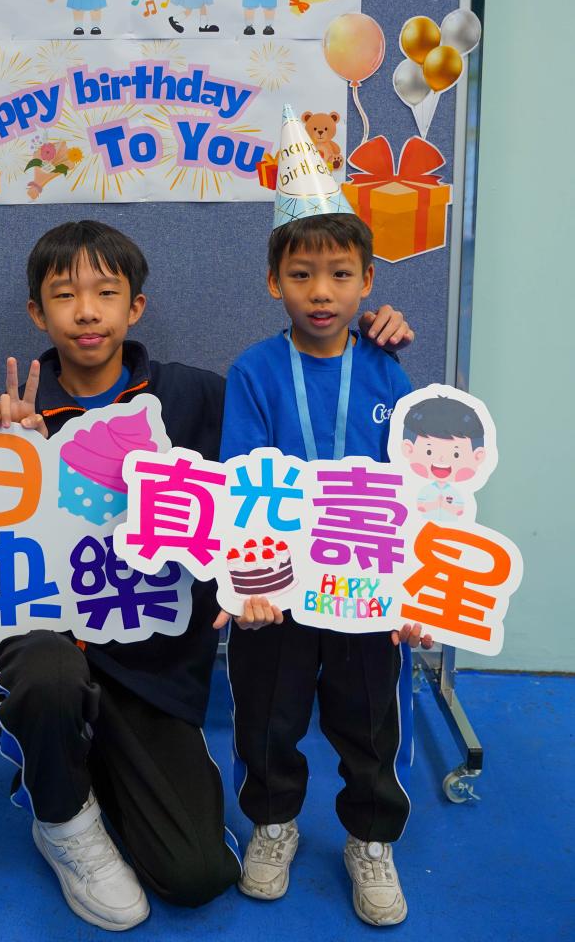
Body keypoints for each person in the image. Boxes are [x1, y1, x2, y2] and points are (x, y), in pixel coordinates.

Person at [0, 219, 414, 930]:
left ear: (135, 306)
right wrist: (6, 456)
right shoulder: (7, 418)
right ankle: (61, 816)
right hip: (56, 648)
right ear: (36, 312)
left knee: (198, 874)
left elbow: (281, 449)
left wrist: (364, 336)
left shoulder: (195, 397)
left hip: (151, 670)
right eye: (64, 295)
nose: (86, 312)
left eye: (105, 292)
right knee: (48, 677)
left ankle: (97, 761)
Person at [219, 113, 431, 927]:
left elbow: (416, 484)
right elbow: (242, 481)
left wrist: (414, 589)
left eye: (339, 274)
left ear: (367, 280)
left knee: (369, 720)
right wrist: (252, 580)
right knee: (265, 715)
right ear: (272, 282)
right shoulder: (253, 370)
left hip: (366, 585)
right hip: (277, 585)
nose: (320, 292)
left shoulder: (386, 364)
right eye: (301, 274)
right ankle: (272, 823)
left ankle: (369, 839)